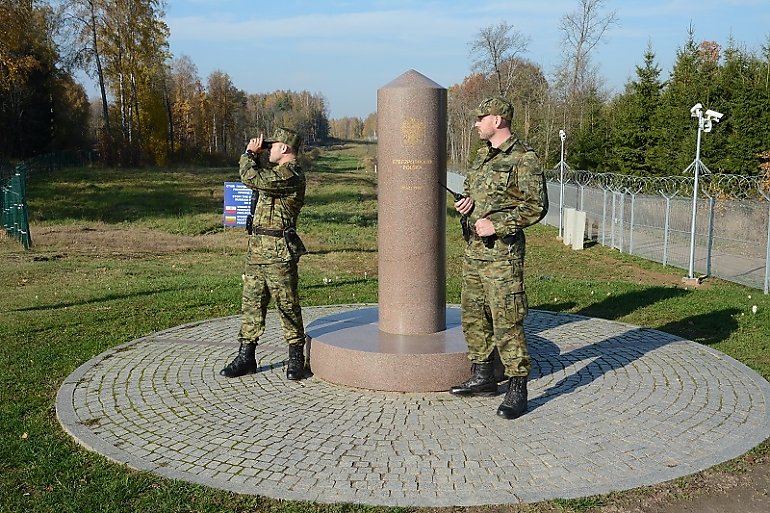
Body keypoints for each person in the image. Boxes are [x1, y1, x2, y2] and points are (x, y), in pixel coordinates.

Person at [449, 97, 548, 419]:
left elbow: (536, 205)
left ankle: (518, 385)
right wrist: (465, 208)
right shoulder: (480, 157)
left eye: (481, 118)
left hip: (502, 255)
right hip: (474, 252)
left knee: (507, 319)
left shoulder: (523, 158)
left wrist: (498, 225)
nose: (476, 124)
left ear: (498, 119)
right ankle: (483, 375)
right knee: (474, 315)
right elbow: (478, 198)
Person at [220, 127, 308, 381]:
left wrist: (249, 153)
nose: (268, 149)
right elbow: (260, 177)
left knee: (287, 304)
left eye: (273, 145)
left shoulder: (292, 174)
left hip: (280, 251)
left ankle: (295, 357)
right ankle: (246, 356)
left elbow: (253, 178)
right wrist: (256, 157)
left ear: (285, 148)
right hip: (257, 249)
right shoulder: (275, 173)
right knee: (251, 303)